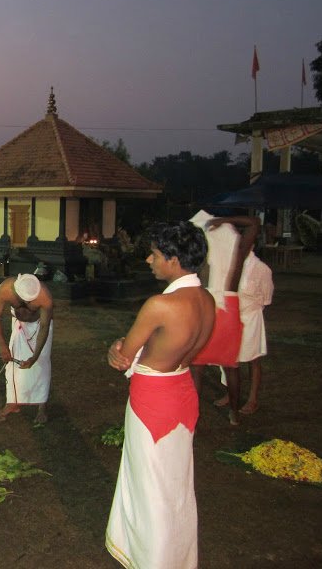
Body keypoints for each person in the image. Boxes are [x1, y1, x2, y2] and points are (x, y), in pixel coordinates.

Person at [105, 221, 215, 569]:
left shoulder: (160, 305)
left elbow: (124, 356)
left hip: (152, 397)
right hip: (182, 391)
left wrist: (115, 349)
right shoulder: (207, 300)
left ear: (173, 259)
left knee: (150, 485)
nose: (149, 260)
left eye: (154, 255)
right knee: (176, 483)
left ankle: (153, 559)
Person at [189, 212, 259, 425]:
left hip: (212, 307)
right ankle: (233, 414)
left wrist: (221, 221)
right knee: (229, 366)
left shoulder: (204, 257)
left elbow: (254, 223)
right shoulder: (236, 255)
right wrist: (226, 221)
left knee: (199, 367)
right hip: (226, 308)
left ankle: (195, 415)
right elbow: (253, 223)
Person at [211, 219, 274, 415]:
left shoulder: (261, 269)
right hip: (230, 317)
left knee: (252, 360)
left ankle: (253, 398)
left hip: (251, 317)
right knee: (229, 358)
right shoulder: (226, 264)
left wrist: (249, 310)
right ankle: (231, 393)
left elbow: (266, 298)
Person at [0, 273, 53, 425]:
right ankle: (13, 403)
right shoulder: (5, 289)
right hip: (18, 323)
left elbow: (44, 326)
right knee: (11, 362)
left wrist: (35, 356)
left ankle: (41, 406)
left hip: (39, 326)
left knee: (41, 364)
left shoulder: (44, 296)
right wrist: (2, 345)